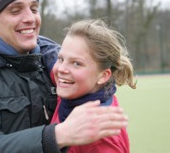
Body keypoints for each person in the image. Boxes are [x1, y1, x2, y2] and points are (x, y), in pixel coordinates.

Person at [0, 0, 128, 152]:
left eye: (34, 8)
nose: (30, 18)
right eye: (15, 10)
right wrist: (58, 135)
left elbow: (93, 78)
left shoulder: (47, 64)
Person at [50, 19, 136, 153]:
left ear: (103, 76)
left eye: (76, 63)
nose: (61, 69)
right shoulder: (75, 90)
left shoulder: (101, 139)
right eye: (61, 58)